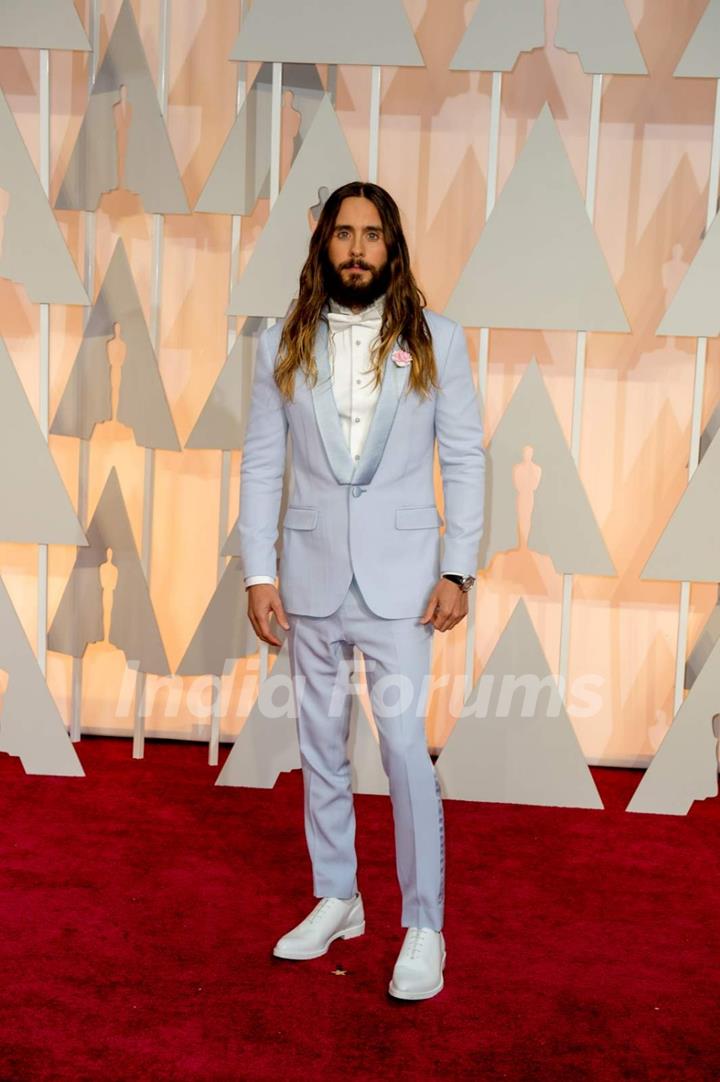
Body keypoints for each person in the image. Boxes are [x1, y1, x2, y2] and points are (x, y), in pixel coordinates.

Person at [237, 181, 485, 1001]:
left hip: (407, 583)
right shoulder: (282, 340)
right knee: (320, 749)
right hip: (308, 577)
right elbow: (264, 463)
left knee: (406, 749)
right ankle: (338, 897)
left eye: (371, 235)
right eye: (343, 234)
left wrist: (458, 567)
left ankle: (424, 924)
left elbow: (465, 459)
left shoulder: (439, 340)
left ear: (393, 247)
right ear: (323, 245)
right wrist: (259, 571)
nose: (355, 248)